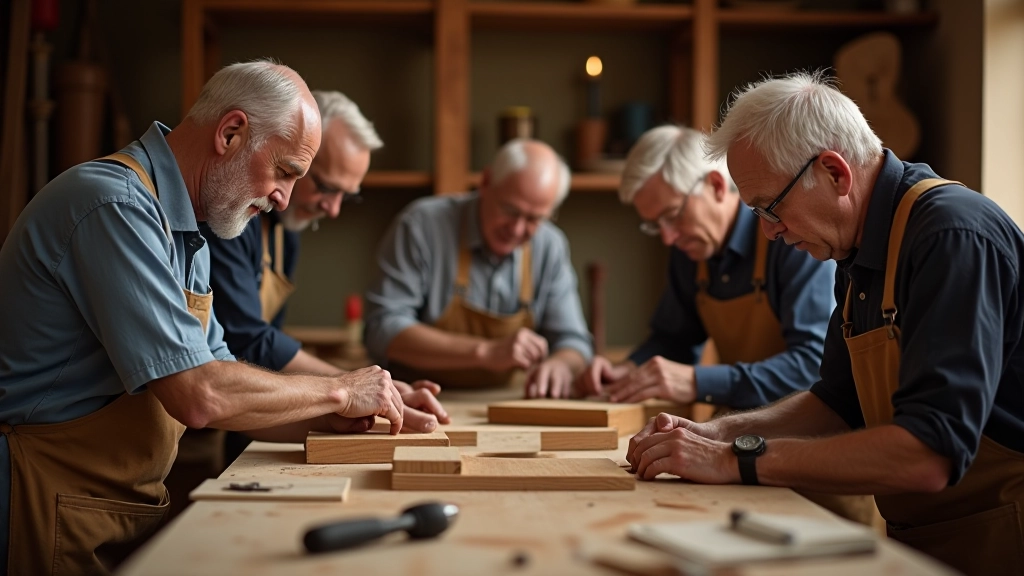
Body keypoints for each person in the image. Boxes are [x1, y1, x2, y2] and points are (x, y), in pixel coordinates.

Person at [0, 62, 407, 575]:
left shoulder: (191, 233)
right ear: (231, 132)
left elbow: (226, 383)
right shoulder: (114, 204)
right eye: (284, 172)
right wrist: (340, 391)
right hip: (37, 495)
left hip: (106, 505)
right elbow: (201, 394)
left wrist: (343, 420)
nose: (283, 198)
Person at [627, 72, 1024, 575]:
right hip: (934, 537)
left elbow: (930, 452)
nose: (769, 232)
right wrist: (718, 433)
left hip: (1005, 535)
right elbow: (837, 403)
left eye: (770, 208)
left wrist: (738, 459)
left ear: (836, 173)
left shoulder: (950, 236)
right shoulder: (856, 247)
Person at [203, 91, 449, 455]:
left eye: (345, 196)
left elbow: (269, 344)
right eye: (326, 187)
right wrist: (350, 385)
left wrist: (379, 388)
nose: (333, 210)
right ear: (297, 158)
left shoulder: (287, 233)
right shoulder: (233, 218)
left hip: (250, 411)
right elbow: (250, 339)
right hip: (205, 414)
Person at [577, 126, 836, 416]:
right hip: (740, 420)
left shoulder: (788, 237)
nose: (667, 238)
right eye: (655, 225)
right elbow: (674, 339)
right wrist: (628, 369)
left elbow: (812, 366)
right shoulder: (690, 249)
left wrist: (697, 381)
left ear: (716, 185)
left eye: (673, 215)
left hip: (804, 427)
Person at [364, 139, 592, 398]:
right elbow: (382, 328)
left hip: (507, 403)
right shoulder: (422, 226)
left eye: (533, 219)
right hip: (417, 400)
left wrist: (561, 364)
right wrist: (486, 352)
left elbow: (574, 342)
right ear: (486, 182)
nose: (517, 230)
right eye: (510, 210)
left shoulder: (550, 245)